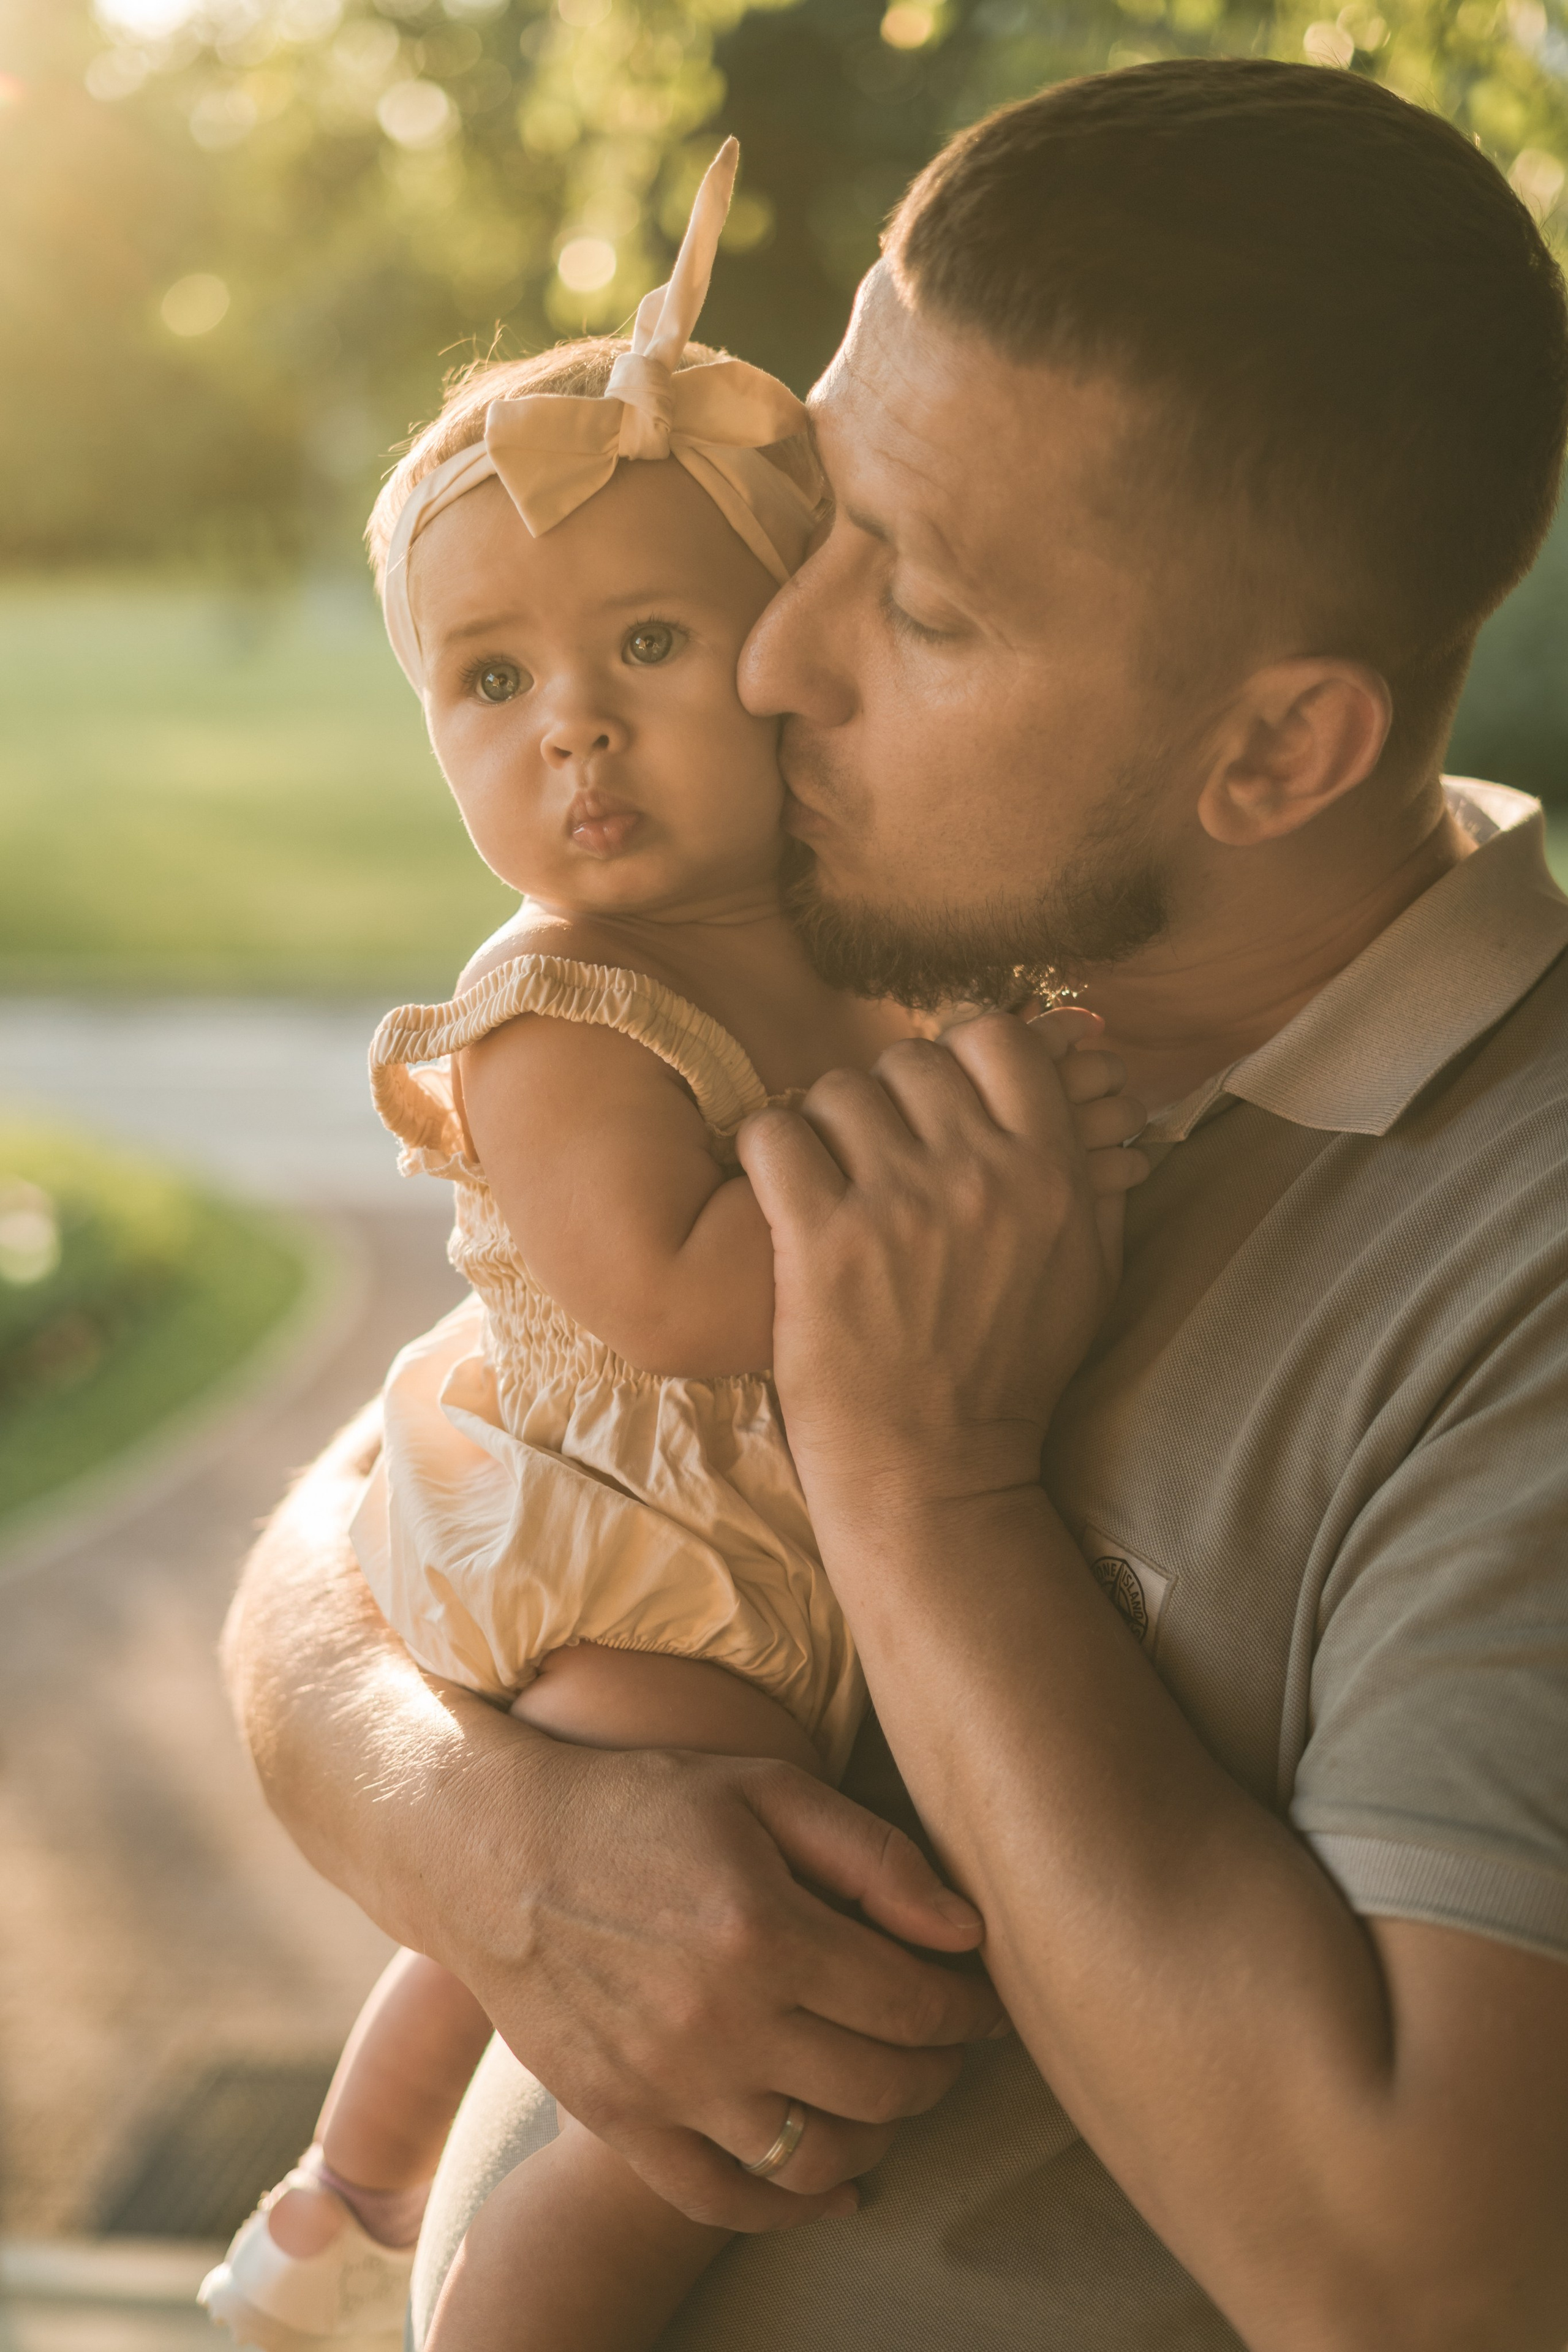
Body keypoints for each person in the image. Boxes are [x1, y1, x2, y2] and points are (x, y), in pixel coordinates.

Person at [222, 58, 1568, 2352]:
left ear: (1277, 749)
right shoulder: (896, 945)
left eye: (921, 608)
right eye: (816, 511)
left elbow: (1414, 2278)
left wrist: (925, 1486)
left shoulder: (1513, 1269)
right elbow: (413, 1476)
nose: (766, 654)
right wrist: (479, 1836)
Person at [197, 141, 1144, 2352]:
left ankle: (338, 2196)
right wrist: (982, 1158)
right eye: (492, 685)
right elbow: (674, 1295)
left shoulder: (850, 923)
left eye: (644, 644)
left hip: (774, 1516)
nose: (579, 732)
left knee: (507, 1941)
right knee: (683, 1950)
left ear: (786, 649)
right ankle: (502, 2302)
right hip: (647, 1529)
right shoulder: (560, 1011)